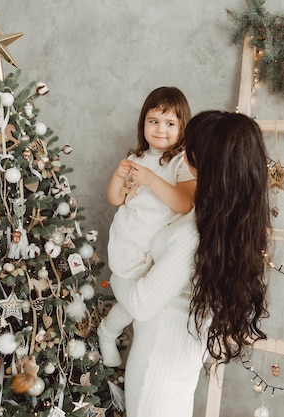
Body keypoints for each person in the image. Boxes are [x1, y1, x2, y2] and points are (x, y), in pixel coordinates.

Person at [110, 110, 271, 417]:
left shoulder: (193, 233)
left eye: (191, 148)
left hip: (157, 365)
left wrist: (117, 274)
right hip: (179, 359)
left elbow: (142, 304)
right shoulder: (227, 220)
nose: (183, 153)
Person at [98, 86, 196, 367]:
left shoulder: (182, 161)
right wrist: (119, 175)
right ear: (143, 124)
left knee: (143, 300)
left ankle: (108, 331)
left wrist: (153, 180)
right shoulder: (135, 158)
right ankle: (109, 331)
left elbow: (184, 203)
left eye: (170, 123)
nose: (160, 130)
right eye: (153, 121)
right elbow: (116, 198)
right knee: (135, 295)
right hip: (129, 238)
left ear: (182, 127)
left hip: (156, 249)